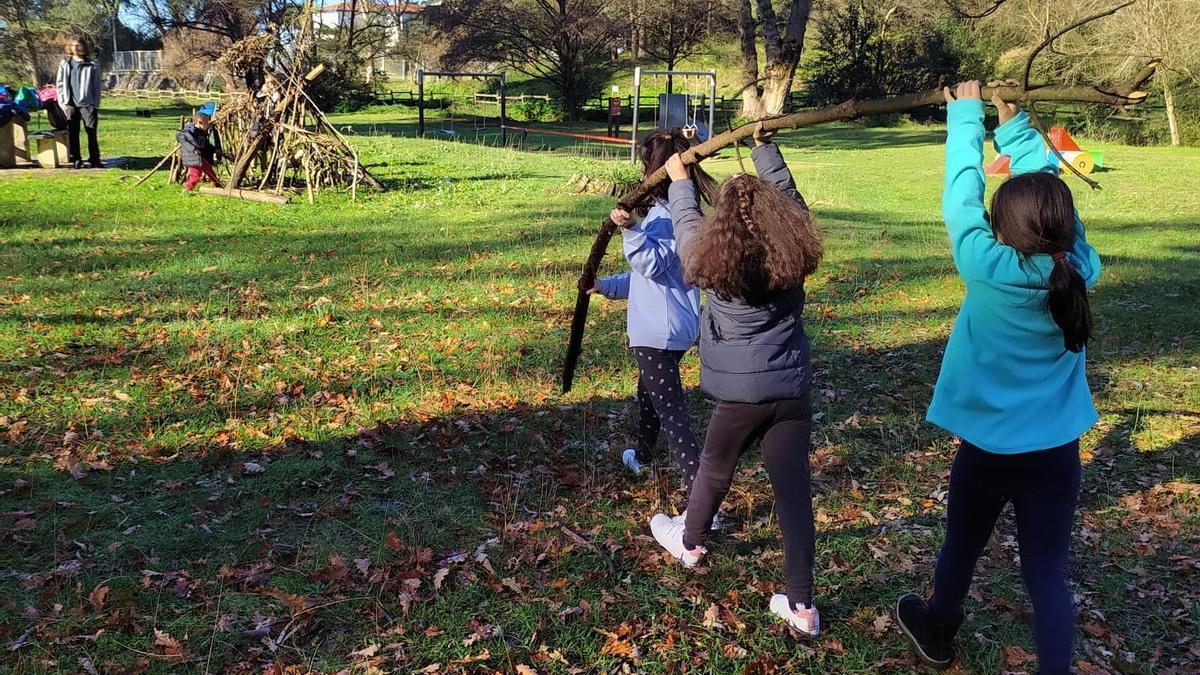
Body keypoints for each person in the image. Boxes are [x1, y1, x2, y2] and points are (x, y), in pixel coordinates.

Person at [896, 81, 1100, 674]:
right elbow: (1057, 206)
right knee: (1046, 572)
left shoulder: (986, 265)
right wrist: (1014, 130)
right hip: (1056, 453)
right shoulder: (1079, 266)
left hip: (986, 450)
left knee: (962, 543)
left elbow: (961, 198)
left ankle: (937, 627)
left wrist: (965, 112)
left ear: (1000, 227)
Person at [647, 122, 826, 636]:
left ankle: (690, 542)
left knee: (715, 466)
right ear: (781, 222)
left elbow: (686, 229)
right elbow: (795, 205)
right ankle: (802, 607)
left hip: (740, 395)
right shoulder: (794, 257)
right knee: (794, 498)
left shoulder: (712, 264)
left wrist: (679, 181)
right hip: (790, 391)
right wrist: (765, 150)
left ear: (720, 227)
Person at [592, 129, 716, 500]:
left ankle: (702, 500)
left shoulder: (663, 218)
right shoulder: (686, 216)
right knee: (648, 393)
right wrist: (604, 287)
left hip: (656, 334)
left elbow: (650, 264)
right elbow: (649, 280)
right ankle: (643, 455)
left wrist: (630, 230)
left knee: (673, 416)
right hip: (674, 329)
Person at [55, 36, 102, 169]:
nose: (76, 48)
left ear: (83, 46)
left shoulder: (92, 64)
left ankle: (94, 159)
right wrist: (62, 102)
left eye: (78, 45)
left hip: (88, 104)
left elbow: (97, 85)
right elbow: (60, 84)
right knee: (73, 133)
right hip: (71, 103)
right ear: (69, 47)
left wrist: (95, 103)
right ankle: (76, 159)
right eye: (73, 45)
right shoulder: (65, 63)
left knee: (91, 132)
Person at [178, 113, 223, 191]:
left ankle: (218, 185)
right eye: (206, 124)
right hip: (192, 158)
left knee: (210, 171)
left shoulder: (200, 132)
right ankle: (187, 188)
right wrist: (193, 149)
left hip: (200, 158)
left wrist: (215, 149)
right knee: (195, 176)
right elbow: (184, 143)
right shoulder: (186, 133)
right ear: (199, 122)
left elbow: (205, 144)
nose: (207, 126)